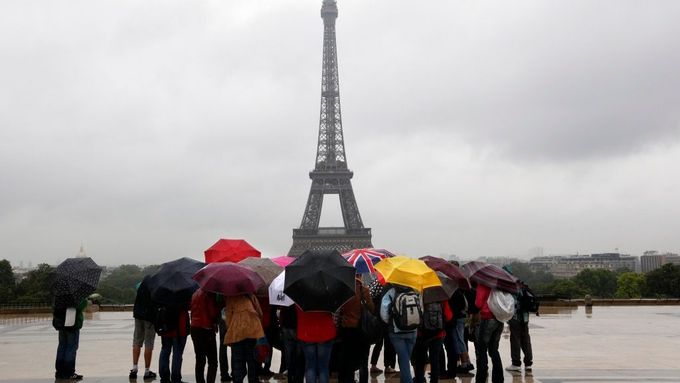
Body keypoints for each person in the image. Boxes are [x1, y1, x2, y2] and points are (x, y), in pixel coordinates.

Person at [380, 285, 422, 383]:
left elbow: (384, 312)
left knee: (404, 359)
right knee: (405, 359)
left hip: (396, 331)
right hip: (413, 330)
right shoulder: (415, 290)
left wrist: (391, 322)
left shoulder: (390, 291)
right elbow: (421, 309)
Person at [337, 276, 375, 383]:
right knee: (363, 359)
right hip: (362, 328)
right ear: (360, 276)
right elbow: (371, 308)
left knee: (347, 357)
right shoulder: (364, 289)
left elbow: (339, 309)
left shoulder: (343, 289)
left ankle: (347, 380)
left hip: (347, 328)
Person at [224, 293, 264, 383]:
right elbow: (260, 313)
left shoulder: (231, 297)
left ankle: (238, 380)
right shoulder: (251, 296)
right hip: (251, 332)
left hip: (237, 332)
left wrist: (231, 327)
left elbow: (228, 317)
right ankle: (253, 380)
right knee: (252, 361)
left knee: (238, 361)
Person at [412, 298, 452, 383]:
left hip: (422, 334)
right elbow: (448, 316)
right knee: (435, 359)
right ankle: (434, 380)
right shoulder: (441, 296)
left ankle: (419, 379)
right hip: (438, 333)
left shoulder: (418, 295)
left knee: (420, 359)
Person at [297, 307, 337, 383]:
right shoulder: (327, 295)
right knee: (323, 367)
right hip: (325, 331)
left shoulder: (301, 296)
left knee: (310, 366)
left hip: (306, 331)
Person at [474, 284, 504, 383]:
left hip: (487, 318)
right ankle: (498, 379)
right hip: (499, 319)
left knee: (482, 350)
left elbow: (478, 303)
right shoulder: (498, 285)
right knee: (494, 350)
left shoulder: (483, 284)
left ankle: (481, 378)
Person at [130, 276, 158, 380]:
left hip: (138, 315)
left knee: (137, 342)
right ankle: (147, 371)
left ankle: (134, 368)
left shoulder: (141, 288)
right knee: (148, 343)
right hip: (149, 318)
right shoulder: (154, 287)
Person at [191, 288, 221, 383]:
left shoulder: (195, 293)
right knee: (212, 362)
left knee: (200, 359)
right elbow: (212, 313)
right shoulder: (209, 294)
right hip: (206, 328)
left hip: (195, 327)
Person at [53, 298, 87, 380]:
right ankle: (69, 373)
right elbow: (79, 307)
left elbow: (54, 308)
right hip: (72, 324)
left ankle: (59, 372)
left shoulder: (59, 294)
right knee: (71, 348)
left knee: (62, 347)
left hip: (61, 324)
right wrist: (85, 301)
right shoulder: (76, 295)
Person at [157, 304, 190, 383]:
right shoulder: (183, 294)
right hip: (180, 328)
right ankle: (175, 378)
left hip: (166, 327)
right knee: (177, 354)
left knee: (165, 351)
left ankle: (164, 377)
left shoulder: (164, 294)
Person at [505, 282, 533, 373]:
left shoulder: (512, 289)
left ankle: (516, 363)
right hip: (525, 318)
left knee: (515, 339)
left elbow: (511, 304)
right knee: (526, 339)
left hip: (515, 318)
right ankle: (528, 363)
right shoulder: (523, 287)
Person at [279, 305, 304, 383]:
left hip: (286, 326)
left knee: (288, 355)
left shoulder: (286, 296)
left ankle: (290, 376)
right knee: (299, 355)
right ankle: (298, 378)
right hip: (298, 327)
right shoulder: (300, 298)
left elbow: (281, 312)